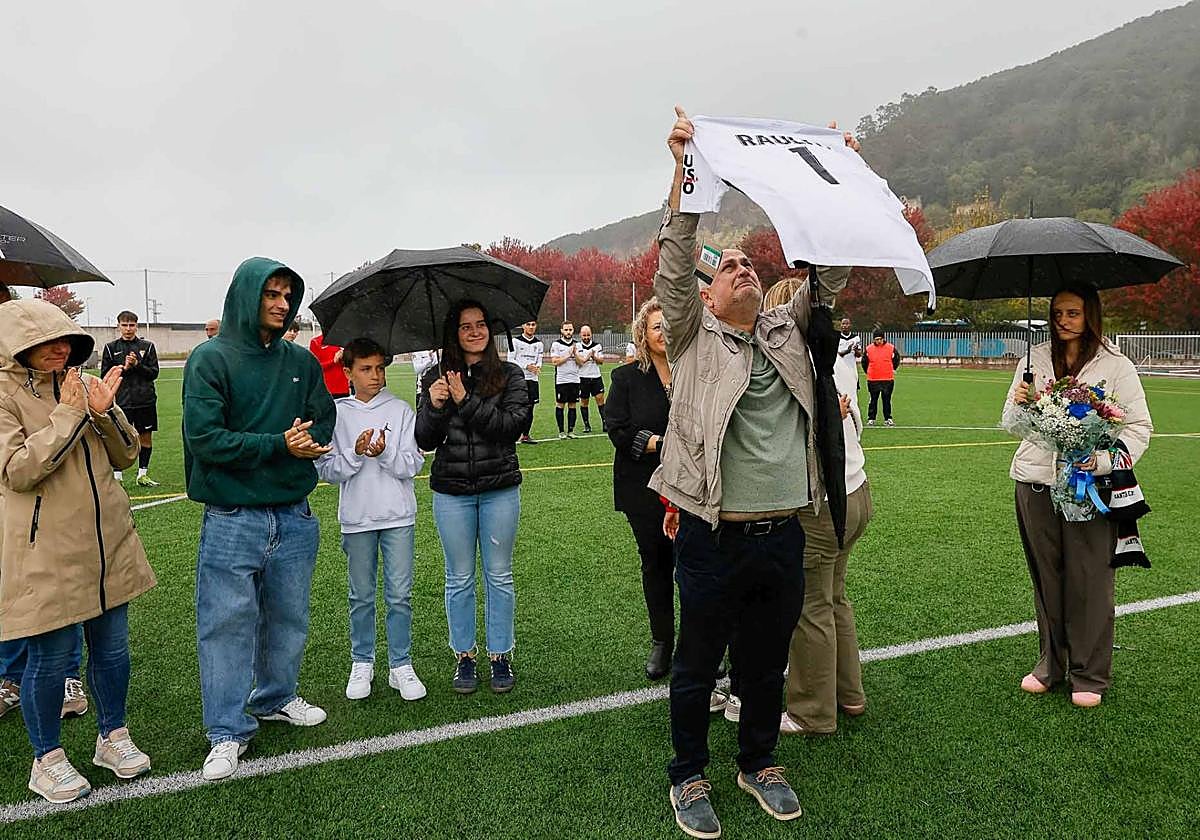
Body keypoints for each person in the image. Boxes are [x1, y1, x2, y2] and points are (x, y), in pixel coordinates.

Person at [650, 106, 853, 837]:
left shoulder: (788, 327)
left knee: (767, 665)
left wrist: (833, 186)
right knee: (699, 664)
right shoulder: (691, 334)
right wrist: (683, 171)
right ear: (708, 297)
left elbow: (825, 278)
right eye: (728, 266)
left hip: (783, 534)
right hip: (714, 535)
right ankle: (688, 775)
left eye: (750, 263)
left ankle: (758, 761)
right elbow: (676, 260)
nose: (741, 266)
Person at [183, 257, 336, 782]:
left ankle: (275, 698)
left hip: (294, 514)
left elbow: (323, 417)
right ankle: (226, 730)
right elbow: (205, 439)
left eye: (287, 294)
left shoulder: (302, 362)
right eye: (270, 293)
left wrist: (307, 439)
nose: (280, 303)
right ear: (246, 296)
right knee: (226, 625)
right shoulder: (210, 359)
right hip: (232, 517)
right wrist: (279, 444)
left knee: (288, 620)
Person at [0, 298, 156, 803]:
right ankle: (46, 759)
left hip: (107, 540)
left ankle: (113, 735)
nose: (59, 349)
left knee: (112, 649)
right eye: (46, 341)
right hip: (45, 550)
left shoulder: (84, 383)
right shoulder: (3, 394)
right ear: (18, 345)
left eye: (66, 340)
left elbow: (126, 454)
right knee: (49, 657)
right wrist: (68, 414)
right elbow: (19, 471)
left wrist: (104, 412)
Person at [1006, 285, 1152, 708]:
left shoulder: (1117, 367)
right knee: (1046, 578)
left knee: (1090, 579)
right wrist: (1022, 404)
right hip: (1034, 482)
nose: (1063, 321)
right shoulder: (1031, 360)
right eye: (1056, 313)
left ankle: (1090, 673)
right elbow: (1012, 422)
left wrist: (1103, 461)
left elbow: (1139, 427)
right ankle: (1051, 664)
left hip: (1091, 489)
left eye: (1072, 313)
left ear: (1091, 315)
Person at [760, 282, 873, 737]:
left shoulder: (795, 365)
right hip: (856, 491)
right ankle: (850, 694)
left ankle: (812, 711)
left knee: (812, 608)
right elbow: (857, 424)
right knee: (836, 598)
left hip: (823, 503)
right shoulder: (837, 361)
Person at [415, 300, 529, 695]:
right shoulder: (435, 376)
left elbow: (510, 427)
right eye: (466, 327)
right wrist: (434, 404)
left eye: (481, 324)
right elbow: (424, 439)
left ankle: (500, 655)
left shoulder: (511, 375)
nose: (475, 331)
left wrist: (465, 399)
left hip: (500, 490)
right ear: (455, 333)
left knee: (499, 576)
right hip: (452, 492)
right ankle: (464, 655)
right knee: (458, 578)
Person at [318, 338, 426, 702]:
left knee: (400, 595)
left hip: (398, 517)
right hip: (357, 519)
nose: (375, 376)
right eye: (366, 369)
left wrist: (382, 454)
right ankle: (362, 661)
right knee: (361, 596)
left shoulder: (400, 410)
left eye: (380, 367)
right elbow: (327, 471)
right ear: (347, 371)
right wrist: (355, 452)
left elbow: (413, 464)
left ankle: (401, 664)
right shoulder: (338, 413)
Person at [606, 298, 674, 680]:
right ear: (643, 336)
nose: (663, 332)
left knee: (696, 567)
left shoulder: (692, 370)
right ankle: (662, 642)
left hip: (691, 487)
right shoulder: (626, 378)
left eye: (669, 325)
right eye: (656, 327)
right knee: (656, 563)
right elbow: (616, 428)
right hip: (643, 487)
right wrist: (659, 444)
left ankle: (705, 646)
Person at [101, 311, 161, 486]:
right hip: (121, 403)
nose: (128, 329)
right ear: (118, 326)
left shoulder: (147, 346)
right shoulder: (110, 348)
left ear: (137, 326)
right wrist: (124, 367)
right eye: (125, 325)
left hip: (145, 401)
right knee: (119, 440)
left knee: (145, 438)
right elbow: (106, 376)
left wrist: (137, 365)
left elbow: (154, 373)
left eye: (132, 325)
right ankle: (118, 476)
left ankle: (142, 474)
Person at [508, 320, 543, 444]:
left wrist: (537, 367)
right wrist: (526, 366)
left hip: (533, 380)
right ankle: (513, 434)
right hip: (519, 380)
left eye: (533, 325)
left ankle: (526, 435)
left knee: (530, 408)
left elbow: (539, 360)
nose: (531, 327)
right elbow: (511, 360)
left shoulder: (539, 344)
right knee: (516, 408)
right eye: (528, 324)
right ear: (523, 326)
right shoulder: (515, 341)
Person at [549, 322, 584, 439]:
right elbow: (555, 361)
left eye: (570, 330)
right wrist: (568, 355)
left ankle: (570, 431)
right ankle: (561, 432)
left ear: (573, 330)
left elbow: (581, 363)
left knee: (573, 405)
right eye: (566, 330)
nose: (568, 332)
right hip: (562, 380)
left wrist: (575, 354)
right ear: (561, 331)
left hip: (575, 379)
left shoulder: (577, 345)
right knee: (560, 405)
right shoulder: (556, 344)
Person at [862, 329, 900, 426]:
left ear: (883, 338)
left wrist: (892, 369)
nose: (878, 341)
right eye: (876, 339)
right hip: (873, 379)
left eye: (880, 339)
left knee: (886, 399)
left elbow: (896, 359)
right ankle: (871, 418)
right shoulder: (868, 349)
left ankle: (888, 418)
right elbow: (864, 362)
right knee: (873, 399)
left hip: (887, 379)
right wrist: (869, 371)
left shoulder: (891, 348)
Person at [577, 324, 606, 433]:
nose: (586, 337)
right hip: (582, 378)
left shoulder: (597, 346)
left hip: (595, 377)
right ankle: (587, 425)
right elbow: (579, 362)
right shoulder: (577, 346)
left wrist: (594, 356)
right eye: (584, 335)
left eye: (588, 335)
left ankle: (604, 423)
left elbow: (601, 361)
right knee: (584, 402)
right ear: (580, 335)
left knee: (600, 400)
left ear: (591, 335)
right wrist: (588, 356)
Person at [310, 330, 351, 398]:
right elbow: (315, 367)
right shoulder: (315, 341)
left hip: (343, 389)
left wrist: (346, 356)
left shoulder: (344, 341)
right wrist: (333, 361)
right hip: (326, 389)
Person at [837, 317, 862, 389]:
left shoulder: (856, 337)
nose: (844, 326)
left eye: (846, 324)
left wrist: (856, 350)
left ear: (850, 325)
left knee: (853, 389)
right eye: (843, 324)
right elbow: (839, 354)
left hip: (852, 368)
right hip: (840, 369)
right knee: (841, 390)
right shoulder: (837, 337)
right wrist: (847, 351)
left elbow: (859, 355)